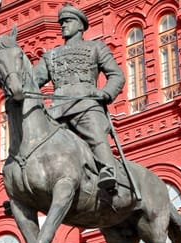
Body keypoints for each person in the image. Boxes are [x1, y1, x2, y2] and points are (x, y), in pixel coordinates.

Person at [33, 3, 125, 191]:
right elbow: (33, 80)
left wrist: (105, 93)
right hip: (56, 112)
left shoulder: (95, 48)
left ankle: (107, 170)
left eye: (67, 21)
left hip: (85, 104)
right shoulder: (51, 56)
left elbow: (117, 75)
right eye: (61, 23)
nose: (63, 26)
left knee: (96, 134)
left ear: (80, 25)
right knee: (37, 142)